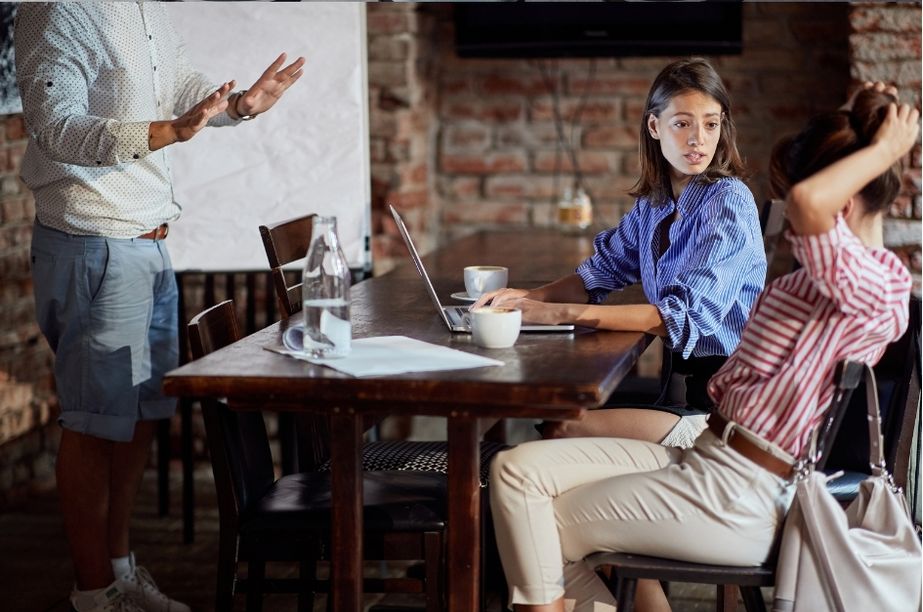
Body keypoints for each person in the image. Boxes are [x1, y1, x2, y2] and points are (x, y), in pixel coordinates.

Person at [488, 83, 918, 612]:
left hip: (741, 489)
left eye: (710, 123)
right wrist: (857, 121)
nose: (787, 225)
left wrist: (884, 151)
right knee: (513, 472)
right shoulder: (827, 277)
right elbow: (602, 272)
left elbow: (808, 204)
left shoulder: (877, 286)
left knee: (538, 522)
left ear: (843, 200)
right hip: (707, 452)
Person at [14, 3, 304, 611]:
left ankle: (119, 571)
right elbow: (56, 128)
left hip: (148, 240)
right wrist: (169, 131)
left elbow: (180, 87)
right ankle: (92, 593)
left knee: (140, 412)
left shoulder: (144, 7)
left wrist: (239, 105)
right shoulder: (56, 9)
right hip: (93, 241)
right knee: (95, 421)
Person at [474, 57, 765, 449]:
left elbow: (678, 318)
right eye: (682, 123)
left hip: (722, 414)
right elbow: (600, 271)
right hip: (679, 393)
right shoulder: (656, 203)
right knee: (552, 423)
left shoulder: (728, 202)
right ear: (654, 126)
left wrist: (560, 313)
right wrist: (527, 298)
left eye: (711, 124)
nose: (698, 139)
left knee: (559, 430)